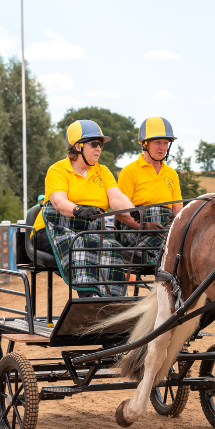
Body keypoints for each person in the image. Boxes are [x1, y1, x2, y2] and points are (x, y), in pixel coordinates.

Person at [32, 119, 147, 297]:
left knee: (112, 247)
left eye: (101, 144)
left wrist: (132, 210)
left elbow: (116, 198)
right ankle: (90, 300)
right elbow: (58, 201)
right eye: (94, 144)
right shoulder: (58, 170)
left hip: (88, 230)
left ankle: (112, 300)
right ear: (77, 146)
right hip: (51, 230)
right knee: (81, 244)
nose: (99, 148)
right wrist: (78, 210)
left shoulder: (102, 171)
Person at [116, 117, 183, 262]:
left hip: (164, 229)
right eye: (157, 142)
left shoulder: (172, 174)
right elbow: (120, 214)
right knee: (169, 251)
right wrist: (144, 226)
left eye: (166, 143)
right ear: (145, 144)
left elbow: (177, 210)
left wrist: (175, 224)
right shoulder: (129, 171)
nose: (163, 147)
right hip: (136, 230)